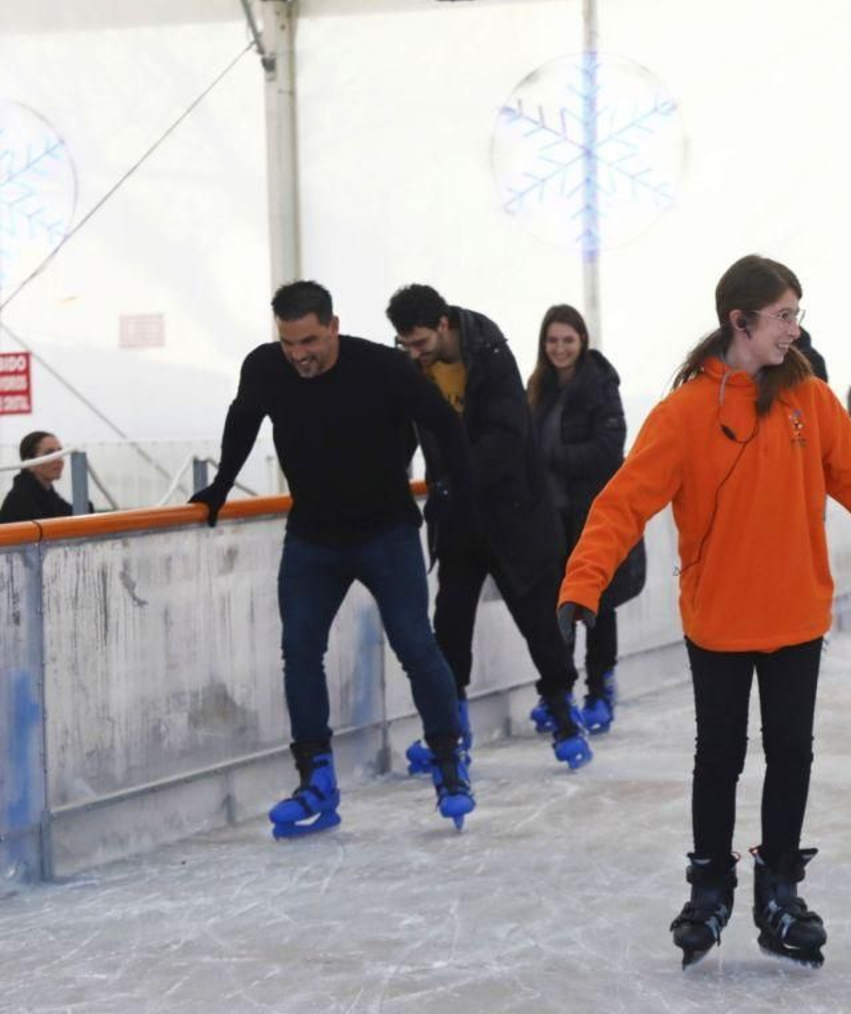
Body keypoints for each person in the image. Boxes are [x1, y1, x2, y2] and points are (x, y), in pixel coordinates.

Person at [556, 255, 851, 969]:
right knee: (719, 756)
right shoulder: (685, 414)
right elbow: (623, 501)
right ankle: (709, 887)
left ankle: (780, 887)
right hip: (720, 620)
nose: (796, 327)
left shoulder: (810, 403)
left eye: (797, 313)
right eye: (784, 315)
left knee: (791, 752)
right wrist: (582, 583)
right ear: (741, 321)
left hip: (794, 618)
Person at [189, 280, 476, 837]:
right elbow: (244, 418)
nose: (300, 354)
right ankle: (315, 778)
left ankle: (448, 762)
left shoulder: (384, 369)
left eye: (311, 340)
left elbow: (444, 425)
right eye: (289, 342)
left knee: (416, 645)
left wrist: (453, 495)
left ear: (334, 326)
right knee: (299, 652)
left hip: (386, 531)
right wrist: (221, 484)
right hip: (314, 537)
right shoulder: (266, 368)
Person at [387, 284, 593, 772]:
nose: (413, 354)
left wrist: (456, 485)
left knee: (538, 619)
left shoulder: (491, 355)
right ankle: (450, 725)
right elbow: (404, 430)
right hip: (458, 519)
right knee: (450, 622)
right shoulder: (415, 367)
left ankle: (564, 714)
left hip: (513, 513)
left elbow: (507, 436)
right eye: (405, 346)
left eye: (419, 343)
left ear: (443, 325)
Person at [527, 303, 642, 736]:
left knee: (597, 604)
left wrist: (551, 458)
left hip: (590, 512)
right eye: (552, 341)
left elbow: (610, 446)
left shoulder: (598, 385)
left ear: (582, 342)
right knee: (554, 604)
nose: (559, 349)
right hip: (549, 516)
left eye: (567, 340)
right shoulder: (539, 386)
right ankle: (559, 692)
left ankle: (600, 688)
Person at [1, 431, 87, 522]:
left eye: (60, 453)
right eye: (49, 454)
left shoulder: (48, 495)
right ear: (30, 464)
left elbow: (70, 514)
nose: (59, 459)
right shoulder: (20, 501)